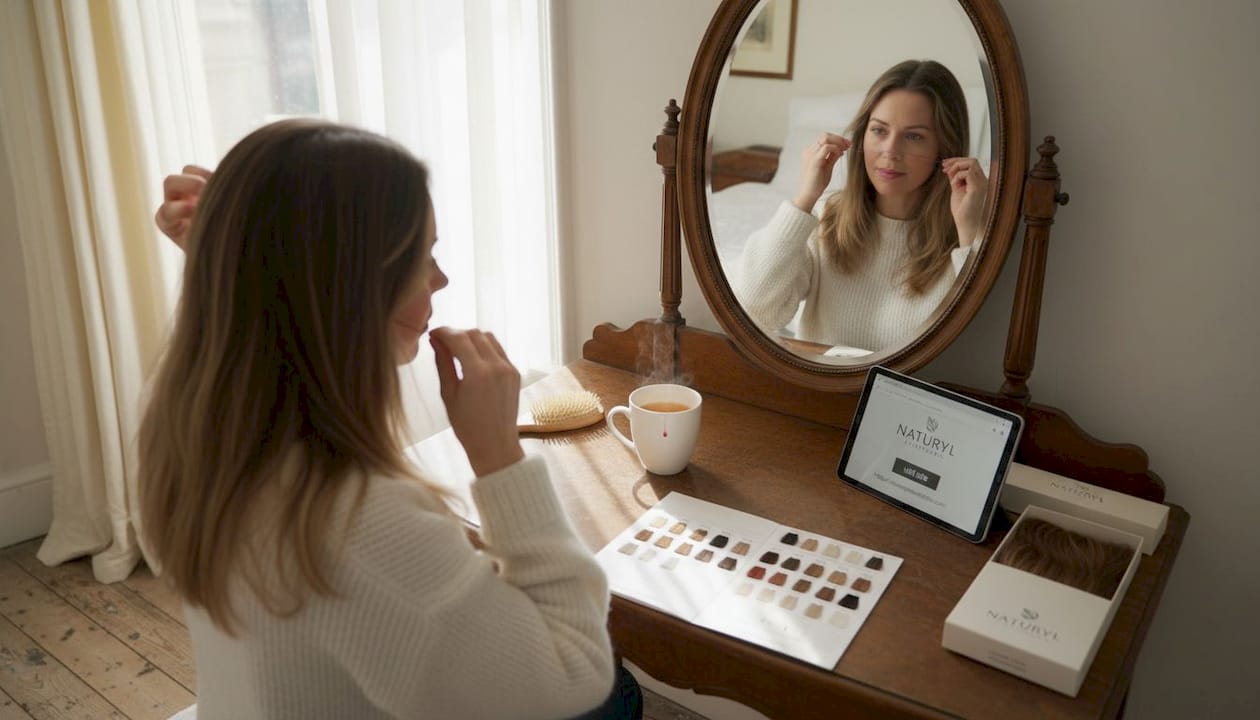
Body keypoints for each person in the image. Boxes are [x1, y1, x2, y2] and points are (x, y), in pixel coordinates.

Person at [141, 119, 641, 719]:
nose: (441, 279)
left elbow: (275, 295)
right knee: (615, 695)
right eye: (423, 255)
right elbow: (576, 669)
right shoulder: (356, 519)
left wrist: (237, 248)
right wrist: (500, 457)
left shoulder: (185, 416)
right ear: (350, 289)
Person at [731, 59, 988, 354]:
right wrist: (804, 199)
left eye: (914, 136)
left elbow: (971, 353)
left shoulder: (965, 239)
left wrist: (970, 235)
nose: (890, 151)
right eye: (879, 131)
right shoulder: (827, 218)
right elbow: (755, 309)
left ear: (945, 149)